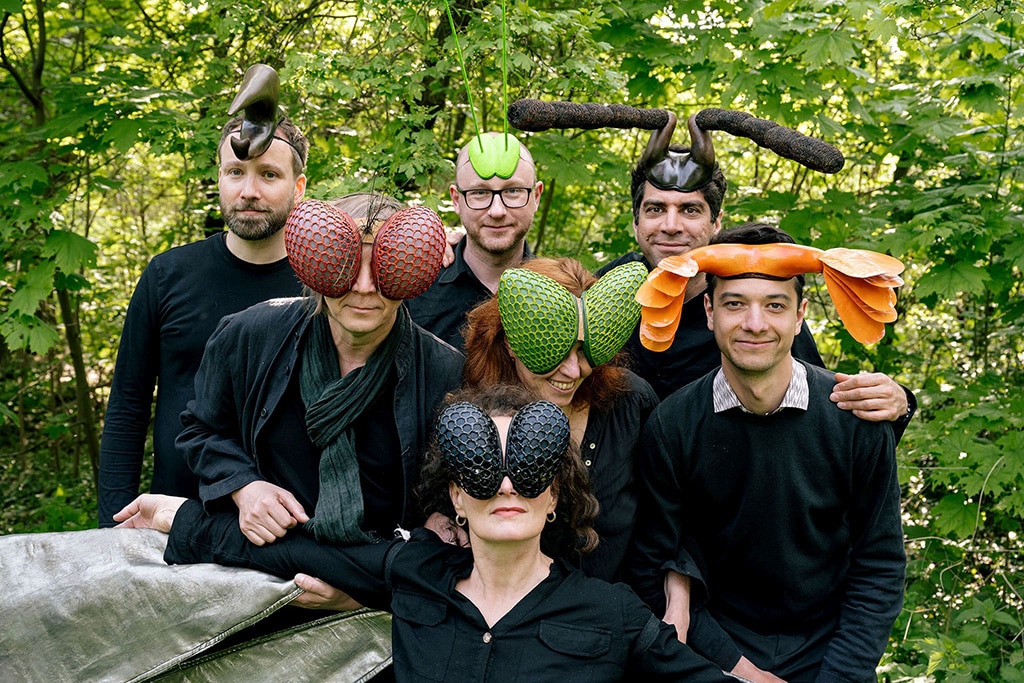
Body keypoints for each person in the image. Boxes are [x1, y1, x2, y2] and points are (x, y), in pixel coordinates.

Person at [117, 385, 741, 682]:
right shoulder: (413, 575)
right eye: (481, 464)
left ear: (555, 495)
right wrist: (179, 515)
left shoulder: (612, 613)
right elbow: (292, 549)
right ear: (454, 496)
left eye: (525, 467)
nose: (504, 485)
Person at [627, 224, 906, 682]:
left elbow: (879, 566)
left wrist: (839, 676)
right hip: (716, 652)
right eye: (735, 304)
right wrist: (741, 671)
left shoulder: (855, 419)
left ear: (800, 316)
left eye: (774, 306)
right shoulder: (673, 425)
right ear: (710, 311)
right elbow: (651, 562)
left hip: (831, 652)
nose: (755, 324)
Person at [177, 191, 464, 611]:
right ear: (318, 263)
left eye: (386, 268)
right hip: (256, 582)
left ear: (412, 269)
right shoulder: (249, 336)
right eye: (347, 265)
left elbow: (448, 510)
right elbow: (201, 430)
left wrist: (360, 595)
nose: (365, 287)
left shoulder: (445, 374)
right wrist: (243, 486)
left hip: (378, 603)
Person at [97, 79, 309, 527]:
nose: (249, 190)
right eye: (235, 173)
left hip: (285, 531)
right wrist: (111, 526)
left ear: (299, 186)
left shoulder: (325, 286)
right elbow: (128, 407)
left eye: (269, 174)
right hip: (169, 522)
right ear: (219, 178)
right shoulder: (167, 275)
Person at [598, 138, 915, 435]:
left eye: (689, 210)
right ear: (636, 221)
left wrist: (898, 403)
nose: (670, 226)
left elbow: (819, 403)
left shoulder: (756, 300)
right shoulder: (605, 291)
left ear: (717, 221)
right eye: (655, 209)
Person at [461, 257, 658, 582]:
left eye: (583, 350)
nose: (572, 370)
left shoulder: (630, 402)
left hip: (618, 611)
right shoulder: (477, 420)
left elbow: (662, 521)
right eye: (554, 349)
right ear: (511, 342)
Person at [406, 132, 542, 348]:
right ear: (456, 200)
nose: (497, 211)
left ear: (536, 196)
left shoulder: (559, 294)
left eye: (513, 191)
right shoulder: (415, 290)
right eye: (480, 193)